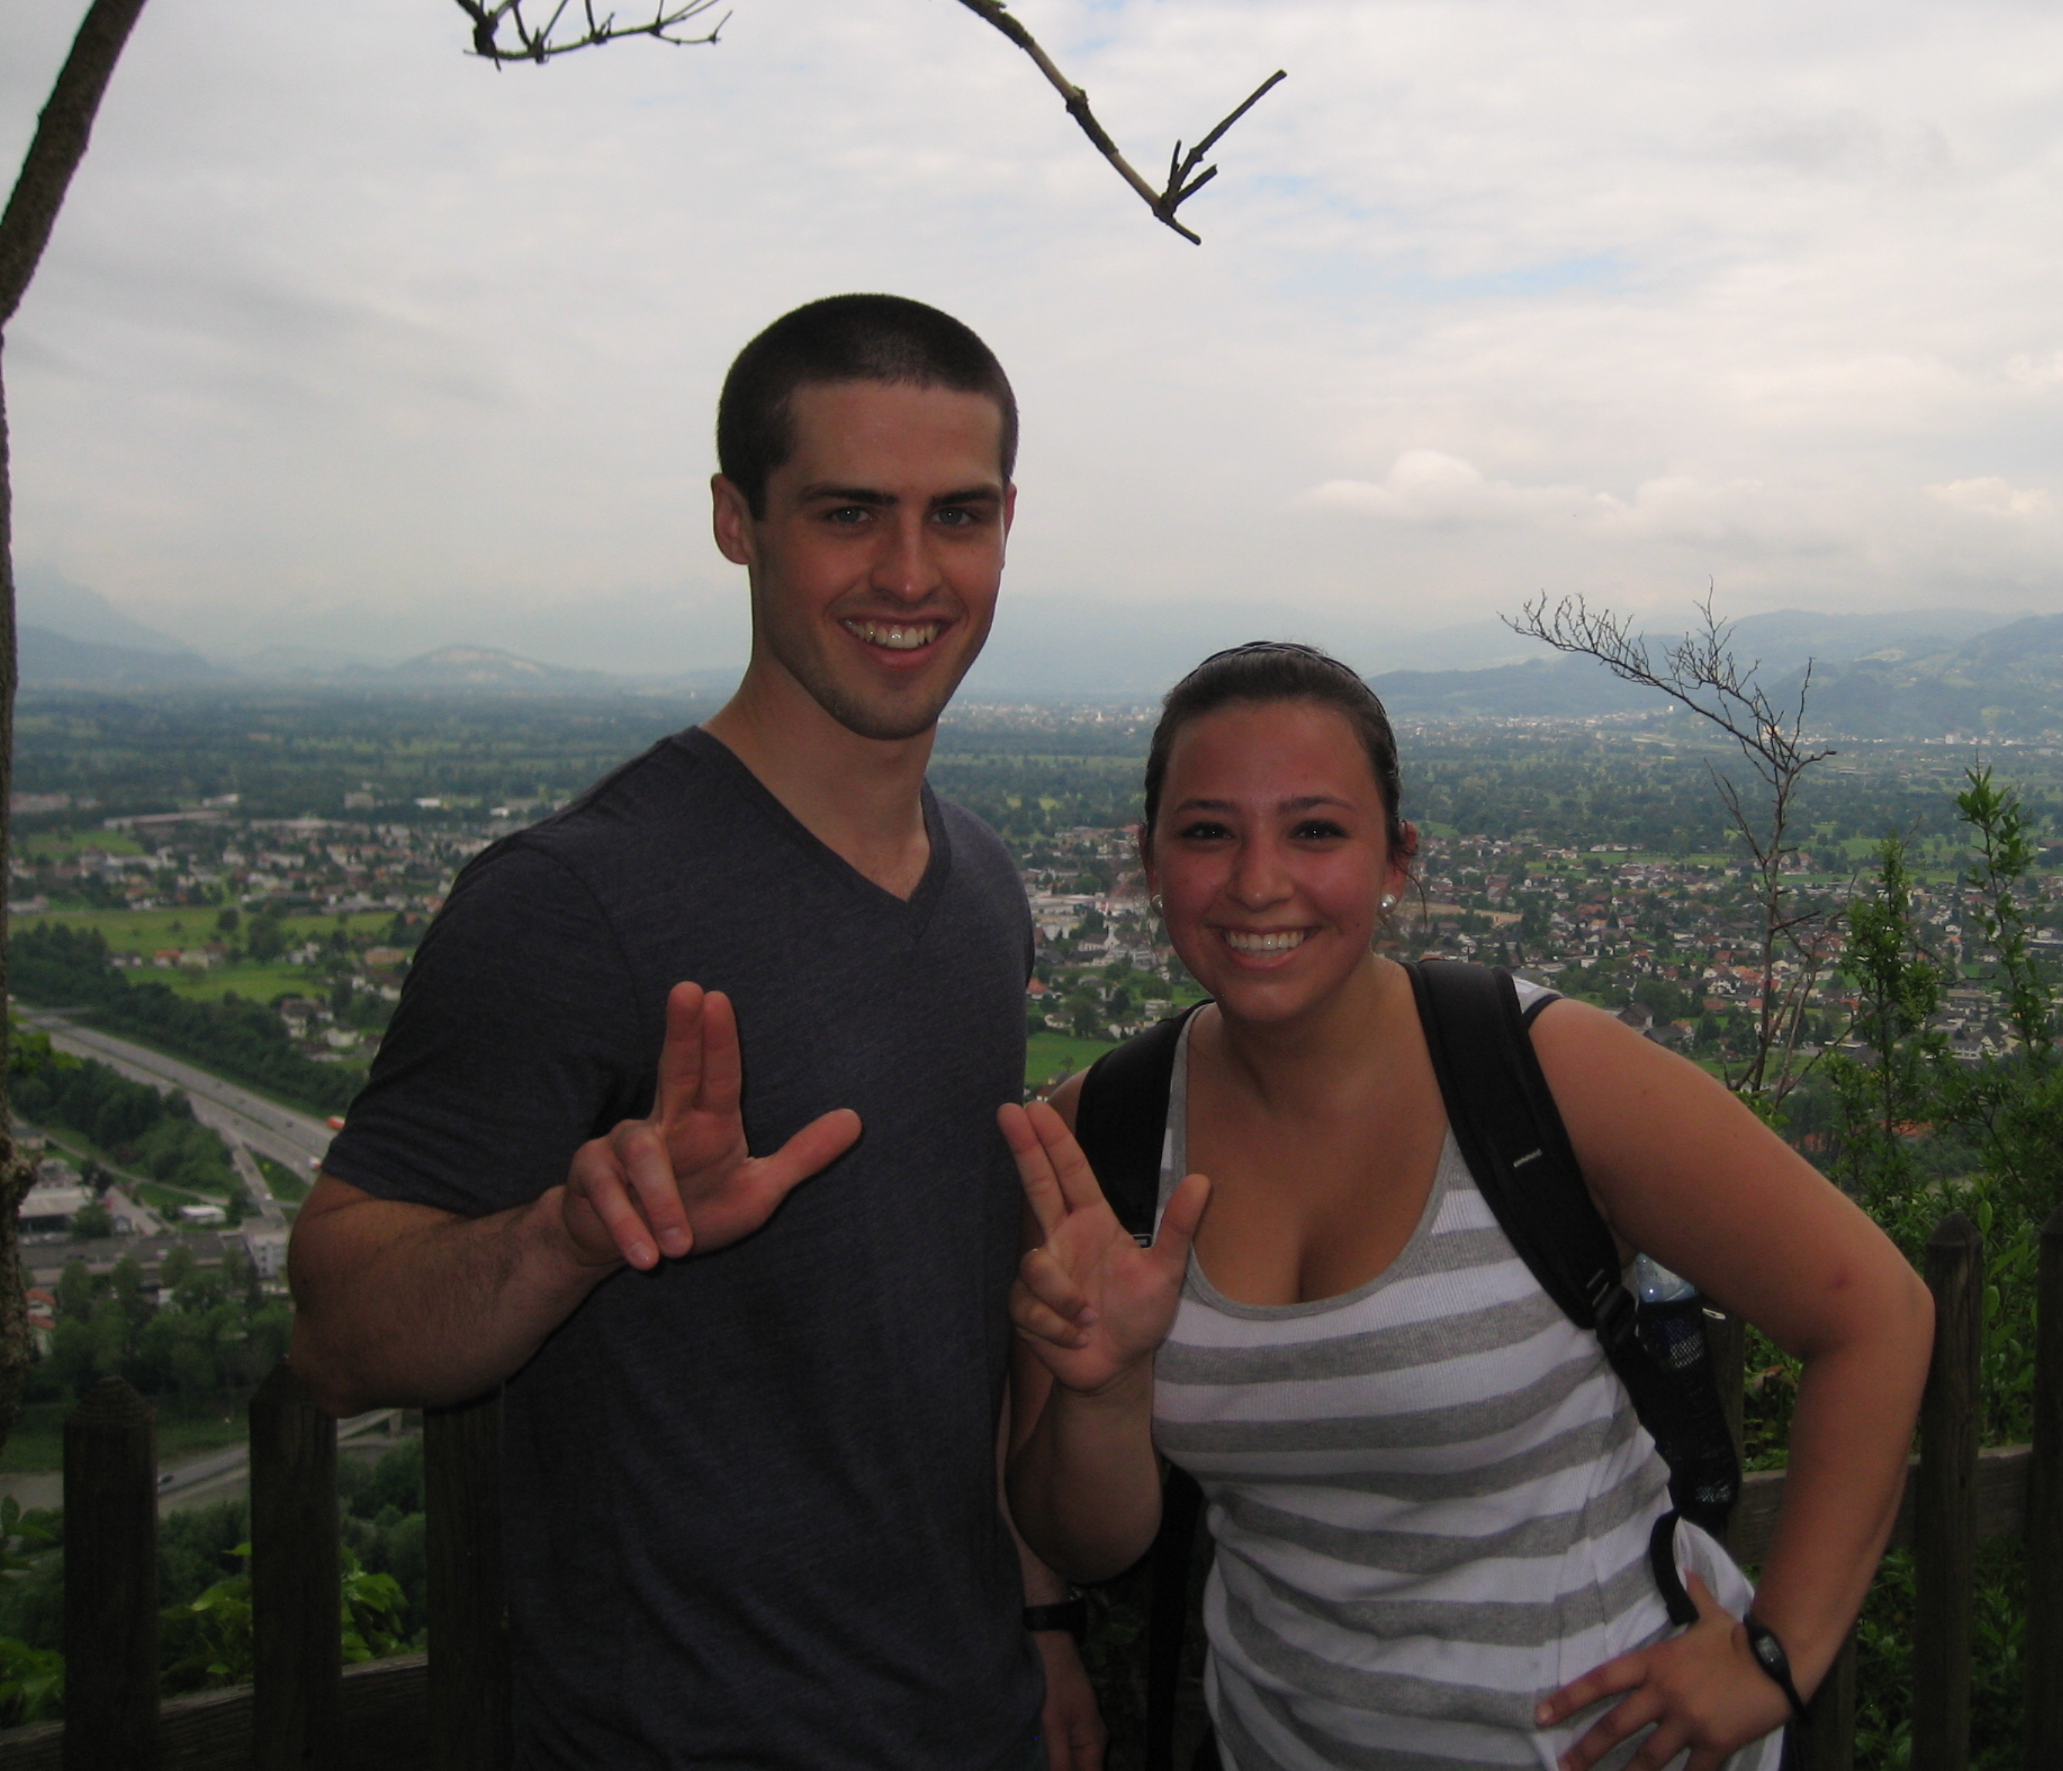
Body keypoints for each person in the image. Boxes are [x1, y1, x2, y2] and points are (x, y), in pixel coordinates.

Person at [288, 294, 1103, 1771]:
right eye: (849, 513)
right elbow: (340, 1332)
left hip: (970, 1714)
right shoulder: (576, 900)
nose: (911, 573)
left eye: (959, 515)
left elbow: (938, 1328)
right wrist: (565, 1238)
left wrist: (1038, 1621)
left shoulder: (981, 883)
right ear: (738, 520)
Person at [999, 643, 1933, 1771]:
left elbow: (1876, 1312)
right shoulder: (1102, 1135)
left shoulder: (1543, 1076)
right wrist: (1099, 1394)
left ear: (1398, 858)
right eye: (1207, 831)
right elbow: (1087, 1539)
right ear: (1147, 862)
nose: (1257, 881)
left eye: (1315, 829)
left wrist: (1777, 1656)